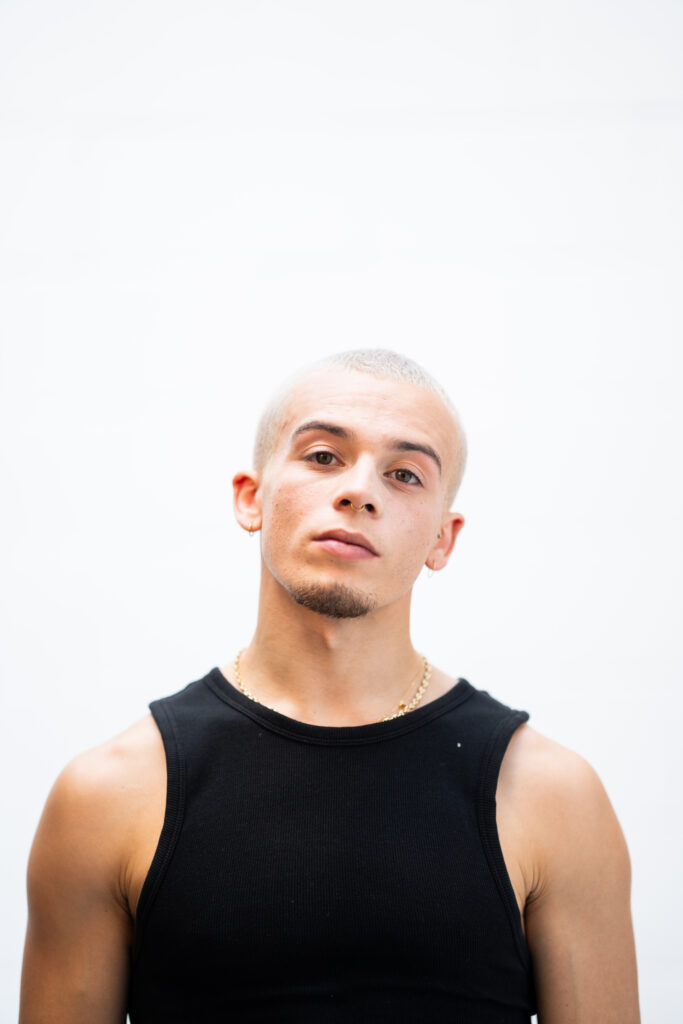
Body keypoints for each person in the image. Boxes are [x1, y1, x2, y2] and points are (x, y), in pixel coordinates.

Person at [20, 349, 640, 1023]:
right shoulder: (109, 795)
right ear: (250, 497)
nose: (359, 490)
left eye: (404, 474)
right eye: (322, 457)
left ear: (442, 538)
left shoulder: (551, 796)